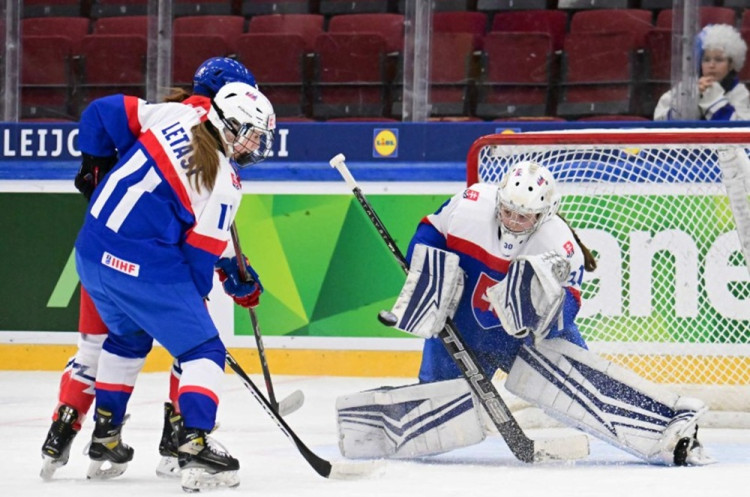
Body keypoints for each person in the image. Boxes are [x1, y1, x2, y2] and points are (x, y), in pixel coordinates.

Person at [335, 161, 712, 466]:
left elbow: (571, 306)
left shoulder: (559, 244)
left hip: (528, 339)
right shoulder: (470, 203)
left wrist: (541, 309)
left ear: (545, 214)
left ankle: (670, 427)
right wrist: (427, 269)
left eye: (524, 216)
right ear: (498, 199)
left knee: (587, 390)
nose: (514, 220)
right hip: (460, 328)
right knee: (436, 407)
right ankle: (372, 428)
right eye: (508, 210)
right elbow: (431, 230)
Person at [40, 57, 260, 481]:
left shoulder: (171, 112)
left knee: (110, 344)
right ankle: (186, 437)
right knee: (197, 347)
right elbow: (194, 254)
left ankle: (84, 433)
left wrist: (94, 167)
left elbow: (101, 113)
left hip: (94, 248)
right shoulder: (224, 177)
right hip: (144, 264)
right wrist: (220, 281)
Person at [654, 23, 750, 121]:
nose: (711, 65)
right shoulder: (686, 87)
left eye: (719, 60)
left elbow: (741, 128)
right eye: (706, 60)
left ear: (731, 65)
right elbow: (660, 120)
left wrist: (713, 98)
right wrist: (691, 98)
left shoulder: (739, 92)